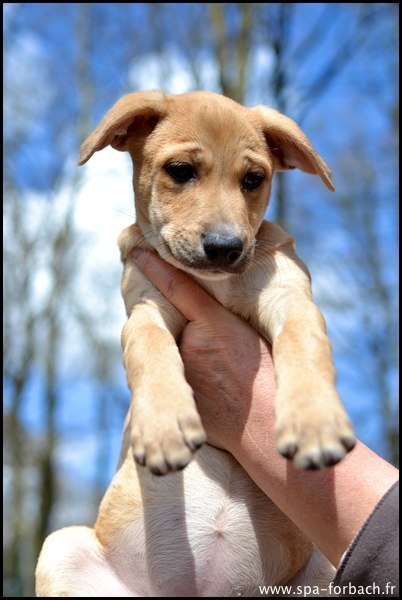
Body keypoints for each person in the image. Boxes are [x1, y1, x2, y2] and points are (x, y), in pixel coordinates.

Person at [132, 248, 399, 597]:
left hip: (284, 574)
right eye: (181, 186)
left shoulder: (273, 255)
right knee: (66, 552)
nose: (225, 231)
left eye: (251, 187)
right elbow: (145, 323)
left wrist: (303, 389)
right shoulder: (144, 255)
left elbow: (294, 312)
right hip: (137, 572)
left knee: (326, 569)